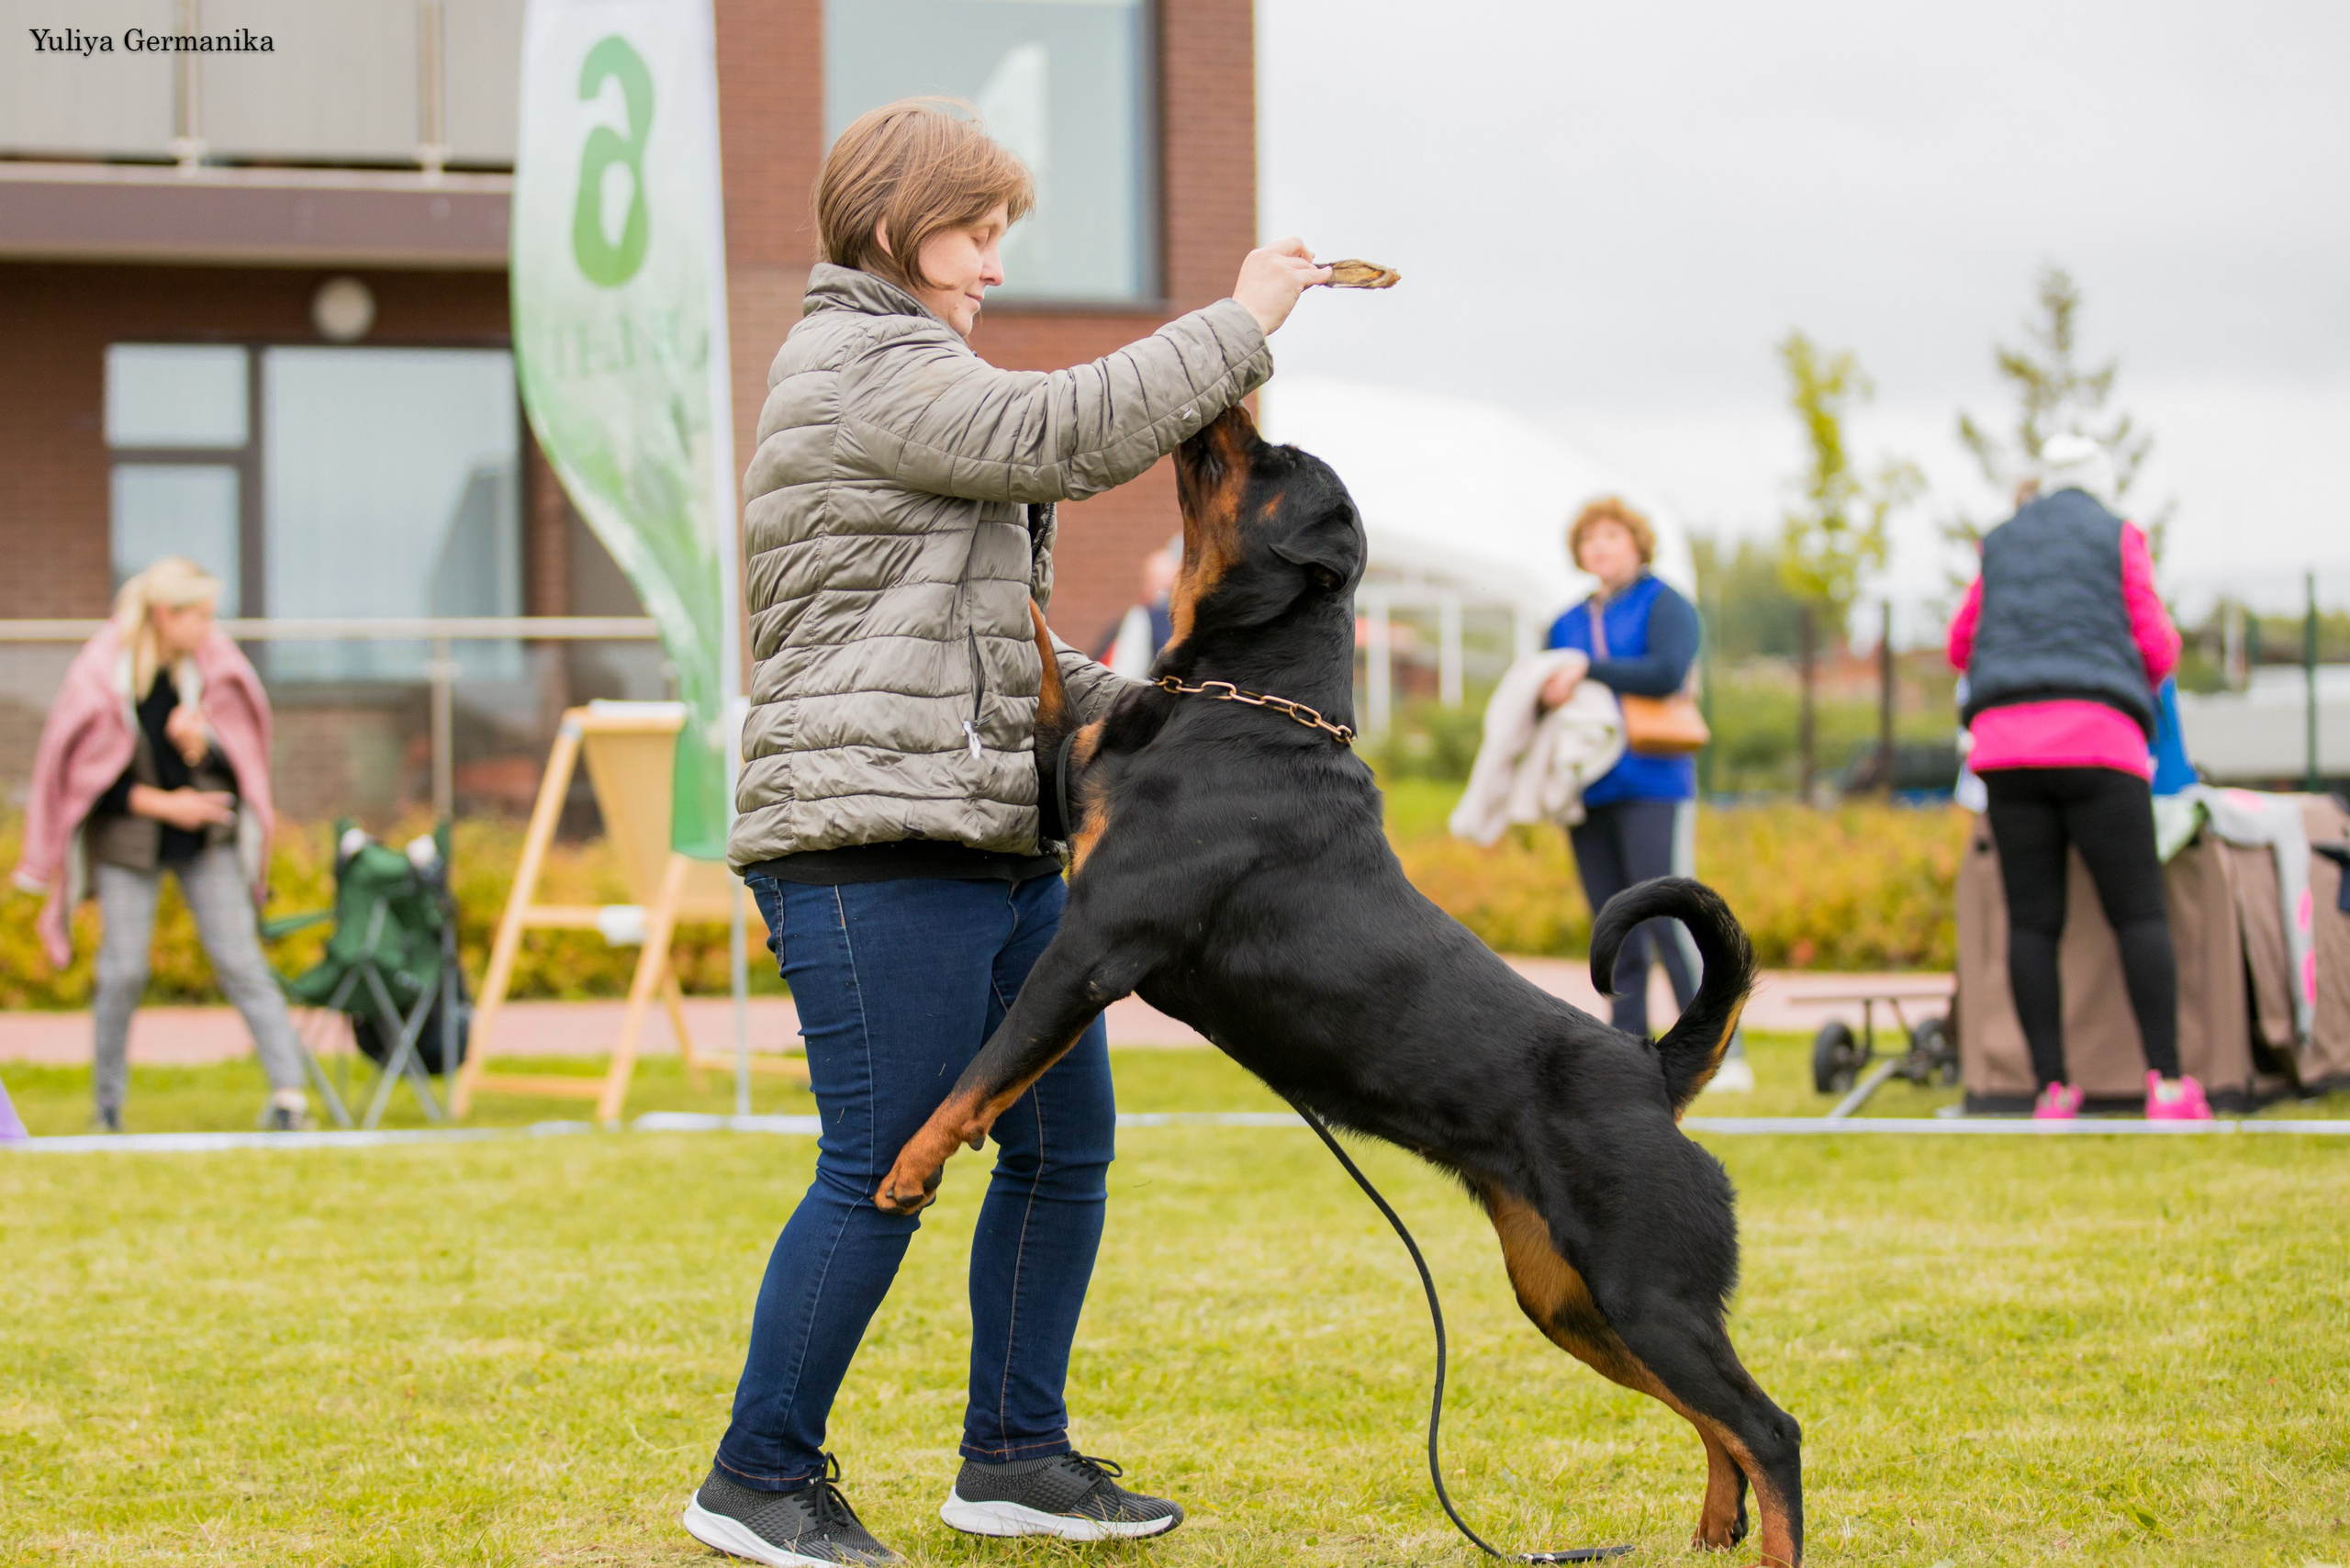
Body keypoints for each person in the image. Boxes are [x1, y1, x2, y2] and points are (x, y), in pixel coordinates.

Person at [686, 98, 1329, 1568]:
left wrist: (1177, 716)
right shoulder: (860, 365)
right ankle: (756, 1478)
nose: (993, 265)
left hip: (986, 835)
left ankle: (1015, 1460)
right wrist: (1241, 321)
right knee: (878, 1162)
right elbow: (1069, 431)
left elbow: (1003, 651)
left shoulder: (915, 377)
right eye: (976, 235)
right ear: (897, 229)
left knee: (1062, 1149)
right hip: (873, 840)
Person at [1947, 433, 2210, 1121]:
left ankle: (2052, 1090)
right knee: (2138, 911)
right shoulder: (2119, 535)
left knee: (2033, 923)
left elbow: (1960, 643)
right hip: (2100, 742)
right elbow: (2157, 645)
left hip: (2005, 748)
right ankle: (2168, 1085)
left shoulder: (2000, 541)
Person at [12, 557, 308, 1133]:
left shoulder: (213, 665)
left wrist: (200, 745)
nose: (209, 628)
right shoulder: (102, 673)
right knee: (122, 971)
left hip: (206, 837)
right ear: (165, 615)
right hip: (130, 840)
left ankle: (290, 1098)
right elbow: (85, 779)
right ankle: (107, 1109)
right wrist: (166, 804)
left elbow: (242, 758)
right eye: (199, 616)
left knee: (240, 961)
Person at [1537, 499, 1704, 1040]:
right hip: (1588, 786)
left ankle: (1716, 1044)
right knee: (1613, 924)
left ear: (1637, 543)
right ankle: (1629, 1045)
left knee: (1666, 916)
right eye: (1590, 538)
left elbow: (1667, 672)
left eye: (1611, 535)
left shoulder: (1665, 603)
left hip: (1653, 781)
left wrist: (1588, 669)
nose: (1600, 546)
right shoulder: (1565, 620)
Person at [1097, 536, 1181, 678]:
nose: (1160, 591)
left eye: (1165, 584)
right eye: (1154, 580)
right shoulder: (1143, 617)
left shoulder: (1145, 617)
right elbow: (1126, 674)